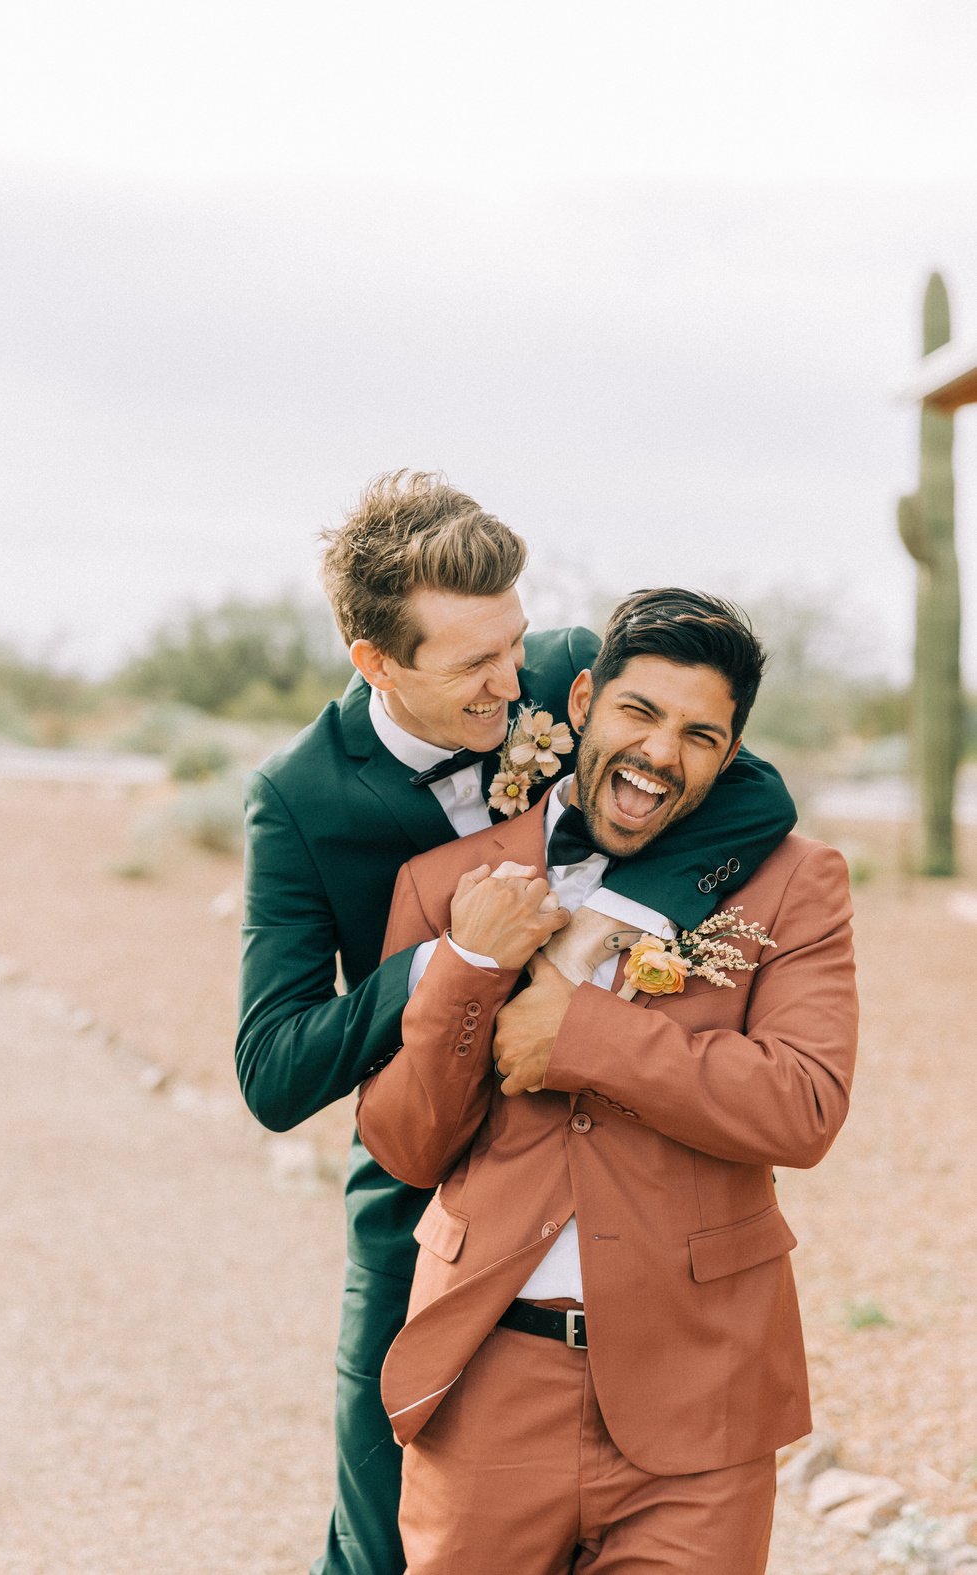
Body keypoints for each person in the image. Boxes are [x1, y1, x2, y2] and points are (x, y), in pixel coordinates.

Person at [236, 479, 797, 1575]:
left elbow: (755, 792)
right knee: (375, 1524)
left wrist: (594, 944)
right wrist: (457, 960)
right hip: (422, 1180)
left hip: (600, 1156)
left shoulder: (569, 668)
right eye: (474, 667)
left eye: (517, 643)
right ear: (376, 663)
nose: (514, 681)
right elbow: (271, 1068)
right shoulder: (298, 799)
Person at [356, 588, 859, 1575]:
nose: (662, 753)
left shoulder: (796, 882)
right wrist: (467, 966)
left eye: (700, 733)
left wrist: (584, 1034)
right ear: (584, 699)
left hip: (701, 1395)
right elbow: (408, 1145)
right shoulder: (441, 879)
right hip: (488, 1383)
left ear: (732, 750)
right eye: (640, 713)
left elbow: (803, 1104)